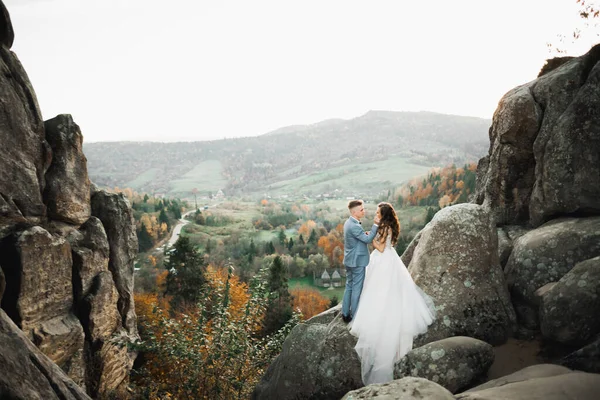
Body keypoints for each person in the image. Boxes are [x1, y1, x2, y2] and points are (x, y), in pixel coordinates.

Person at [349, 202, 436, 385]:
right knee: (388, 289)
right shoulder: (388, 226)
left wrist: (368, 238)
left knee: (379, 288)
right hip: (390, 259)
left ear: (384, 215)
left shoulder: (383, 227)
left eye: (378, 213)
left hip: (383, 260)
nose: (376, 214)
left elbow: (379, 248)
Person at [341, 199, 380, 323]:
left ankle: (345, 313)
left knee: (349, 286)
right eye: (361, 210)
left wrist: (363, 234)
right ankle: (355, 315)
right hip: (357, 262)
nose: (364, 211)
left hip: (349, 260)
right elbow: (368, 240)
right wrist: (375, 225)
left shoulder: (348, 223)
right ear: (354, 212)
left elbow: (358, 238)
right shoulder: (354, 226)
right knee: (356, 288)